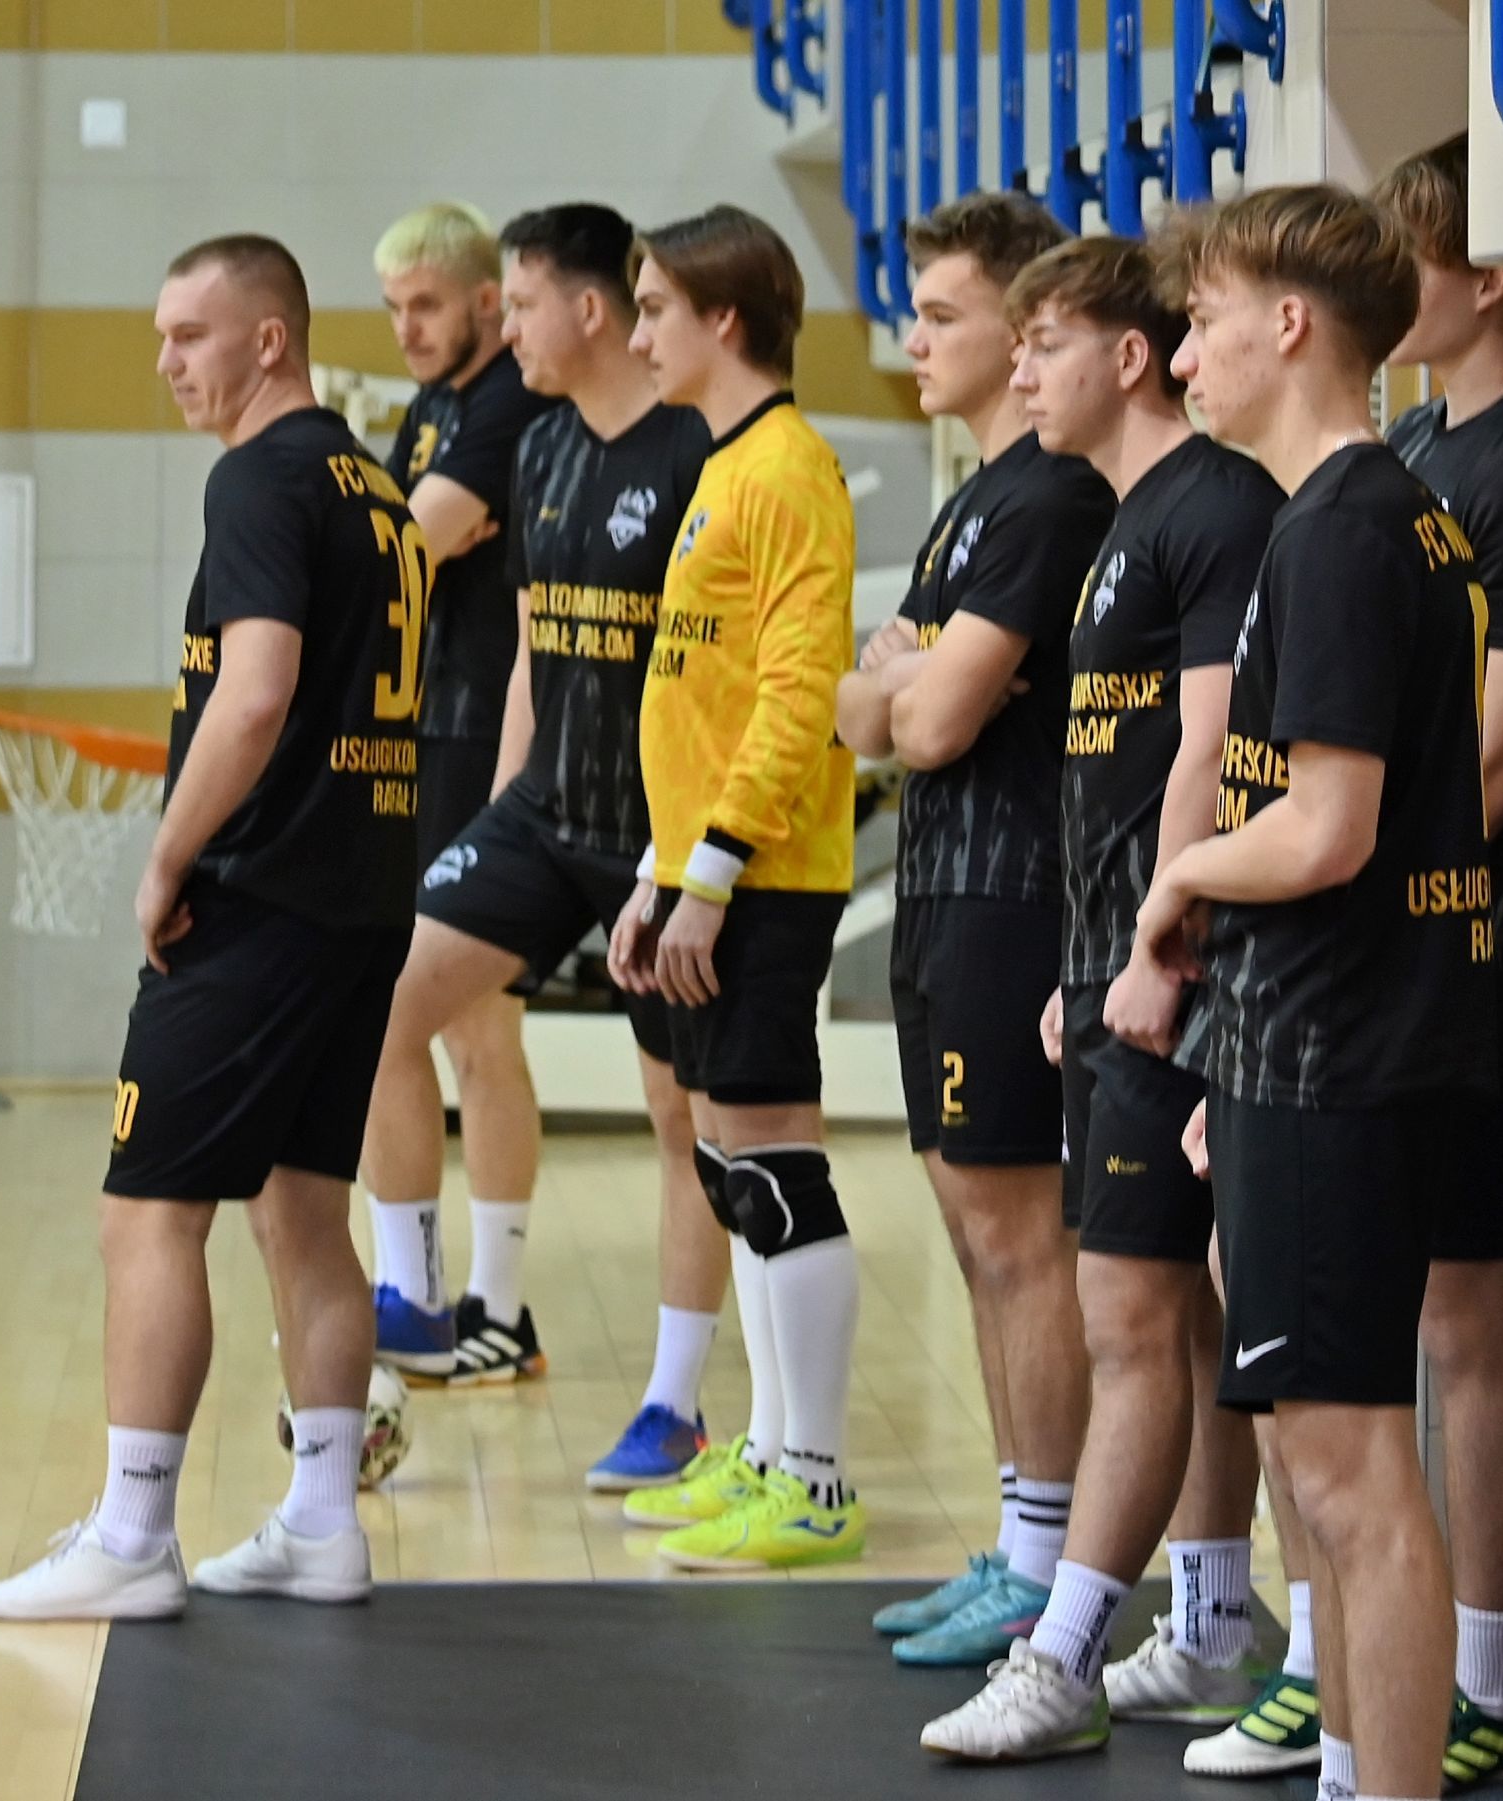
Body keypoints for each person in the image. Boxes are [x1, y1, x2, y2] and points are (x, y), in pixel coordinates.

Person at [0, 236, 424, 1617]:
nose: (166, 361)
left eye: (190, 334)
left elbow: (255, 689)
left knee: (147, 1215)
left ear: (269, 338)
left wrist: (168, 857)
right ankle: (322, 1523)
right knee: (303, 1210)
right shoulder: (375, 487)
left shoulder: (260, 477)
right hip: (361, 899)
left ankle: (130, 1536)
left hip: (261, 896)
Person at [1133, 186, 1498, 1801]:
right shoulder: (1362, 513)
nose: (1183, 357)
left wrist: (1181, 879)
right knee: (1315, 1454)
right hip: (1314, 1047)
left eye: (1203, 322)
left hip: (1346, 1054)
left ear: (1289, 325)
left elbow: (1328, 826)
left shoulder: (1348, 525)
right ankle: (1354, 1767)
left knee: (1353, 1474)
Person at [919, 234, 1282, 1760]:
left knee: (1130, 1311)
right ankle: (1210, 1622)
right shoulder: (1127, 518)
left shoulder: (1217, 509)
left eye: (1044, 344)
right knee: (1165, 1316)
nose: (1019, 373)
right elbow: (1112, 775)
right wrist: (1094, 960)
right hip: (1117, 967)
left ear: (1128, 358)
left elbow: (1208, 748)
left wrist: (1151, 940)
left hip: (1178, 973)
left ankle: (1063, 1652)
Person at [363, 203, 734, 1487]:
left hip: (656, 835)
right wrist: (503, 807)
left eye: (518, 304)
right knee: (380, 1003)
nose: (504, 327)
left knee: (679, 1117)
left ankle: (675, 1402)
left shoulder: (697, 450)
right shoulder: (542, 447)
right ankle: (416, 1298)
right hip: (541, 811)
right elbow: (532, 646)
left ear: (586, 309)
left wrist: (699, 858)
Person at [835, 191, 1114, 1664]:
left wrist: (910, 679)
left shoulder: (1052, 500)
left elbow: (928, 719)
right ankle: (1017, 1537)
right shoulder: (973, 501)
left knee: (1018, 1240)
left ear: (1020, 331)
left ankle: (1049, 1555)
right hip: (941, 892)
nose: (913, 340)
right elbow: (859, 711)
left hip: (1015, 898)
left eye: (940, 315)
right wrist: (903, 679)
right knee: (969, 1232)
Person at [607, 205, 863, 1569]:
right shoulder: (723, 464)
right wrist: (658, 873)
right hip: (705, 868)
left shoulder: (790, 468)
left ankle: (813, 1478)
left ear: (723, 319)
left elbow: (796, 692)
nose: (637, 333)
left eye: (654, 309)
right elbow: (696, 704)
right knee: (725, 1165)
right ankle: (766, 1452)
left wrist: (710, 870)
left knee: (770, 1163)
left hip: (762, 872)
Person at [1378, 134, 1503, 1789]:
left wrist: (1327, 860)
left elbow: (1500, 758)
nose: (1385, 285)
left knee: (1467, 1306)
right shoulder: (1411, 446)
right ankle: (1375, 1660)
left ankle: (1490, 1685)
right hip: (1376, 944)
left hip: (1477, 950)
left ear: (1493, 274)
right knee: (1393, 1311)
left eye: (1413, 255)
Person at [361, 201, 555, 1383]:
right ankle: (458, 1302)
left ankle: (467, 1300)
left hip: (486, 742)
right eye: (393, 308)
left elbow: (400, 545)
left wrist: (398, 535)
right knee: (459, 1026)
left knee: (461, 1023)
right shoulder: (432, 407)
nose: (406, 328)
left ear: (488, 300)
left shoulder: (508, 405)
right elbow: (391, 540)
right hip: (426, 732)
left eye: (425, 305)